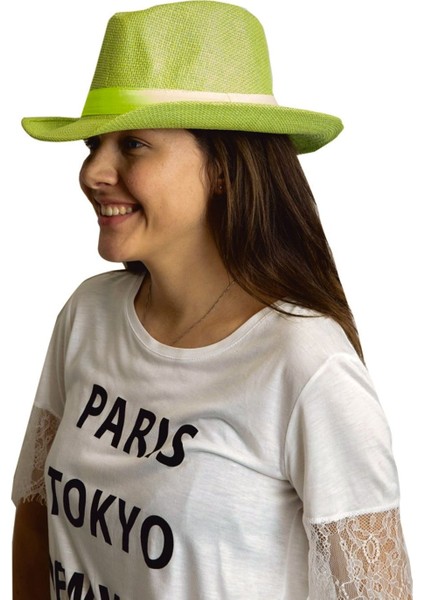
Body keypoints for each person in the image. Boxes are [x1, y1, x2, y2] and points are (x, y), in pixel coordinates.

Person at [12, 1, 413, 599]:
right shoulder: (87, 315)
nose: (94, 171)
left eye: (133, 144)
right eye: (94, 143)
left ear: (223, 168)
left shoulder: (307, 365)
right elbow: (35, 516)